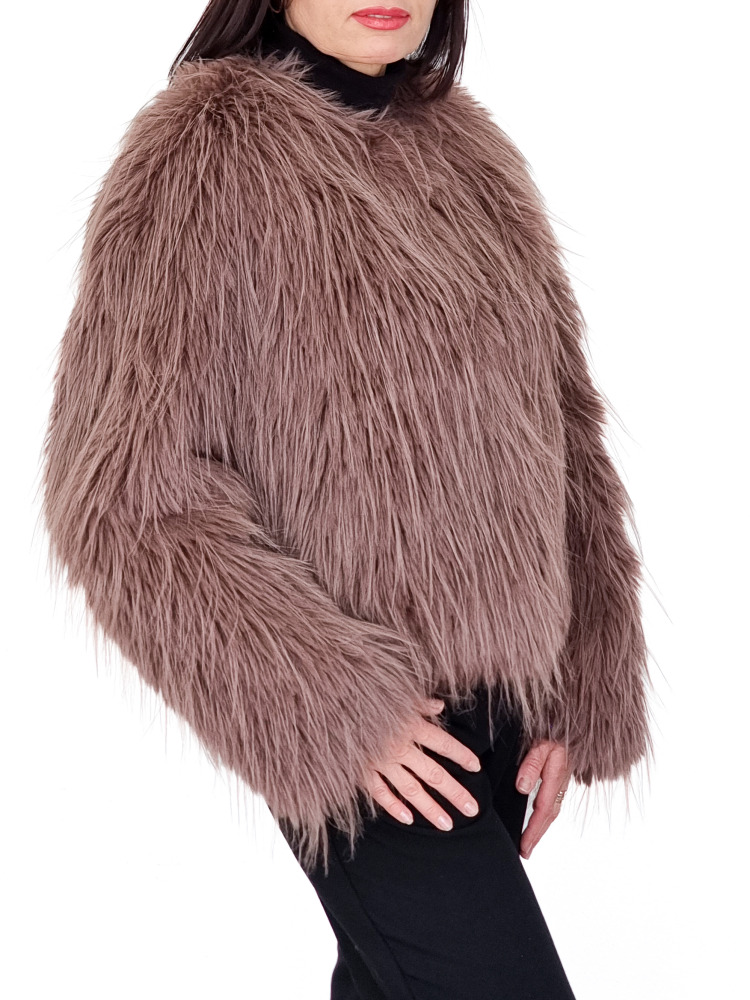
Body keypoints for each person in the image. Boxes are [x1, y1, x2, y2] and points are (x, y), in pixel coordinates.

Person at [40, 1, 655, 997]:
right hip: (367, 729)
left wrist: (580, 683)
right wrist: (337, 708)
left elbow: (565, 433)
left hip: (502, 715)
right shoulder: (205, 158)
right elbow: (121, 503)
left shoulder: (468, 153)